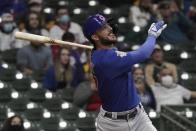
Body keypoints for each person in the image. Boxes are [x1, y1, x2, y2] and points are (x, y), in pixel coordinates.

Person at [82, 14, 166, 131]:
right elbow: (143, 53)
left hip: (139, 117)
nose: (110, 28)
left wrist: (105, 39)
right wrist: (152, 36)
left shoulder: (100, 53)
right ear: (95, 37)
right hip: (113, 125)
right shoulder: (107, 60)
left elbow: (107, 50)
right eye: (103, 28)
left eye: (107, 24)